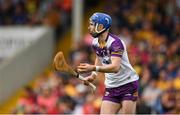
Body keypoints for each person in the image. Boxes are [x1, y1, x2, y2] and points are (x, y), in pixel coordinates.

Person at [77, 12, 139, 114]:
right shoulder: (95, 42)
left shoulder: (115, 43)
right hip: (111, 86)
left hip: (128, 84)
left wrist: (93, 68)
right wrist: (93, 75)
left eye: (92, 24)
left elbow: (115, 67)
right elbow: (99, 58)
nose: (89, 27)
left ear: (101, 26)